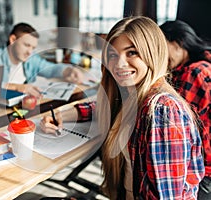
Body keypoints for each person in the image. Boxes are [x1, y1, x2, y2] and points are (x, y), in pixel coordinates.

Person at [40, 16, 205, 199]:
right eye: (112, 55)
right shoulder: (132, 97)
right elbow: (105, 106)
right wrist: (64, 114)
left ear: (153, 53)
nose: (119, 64)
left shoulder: (162, 111)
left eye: (132, 52)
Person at [160, 20, 211, 200]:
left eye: (161, 47)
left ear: (178, 41)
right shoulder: (203, 65)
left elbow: (172, 124)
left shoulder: (195, 72)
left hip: (204, 172)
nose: (160, 56)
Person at [0, 22, 84, 98]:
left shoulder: (30, 59)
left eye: (33, 48)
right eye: (26, 45)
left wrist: (69, 70)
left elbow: (49, 68)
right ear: (13, 40)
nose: (29, 52)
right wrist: (16, 87)